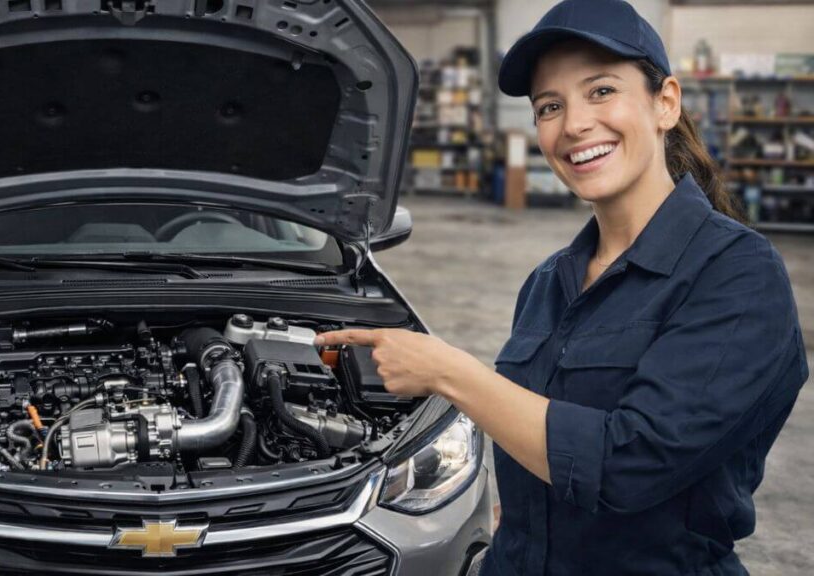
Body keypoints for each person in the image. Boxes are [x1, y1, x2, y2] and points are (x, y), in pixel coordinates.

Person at [315, 1, 808, 574]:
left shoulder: (739, 274)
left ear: (665, 103)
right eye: (550, 106)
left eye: (601, 91)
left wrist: (449, 373)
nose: (574, 124)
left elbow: (629, 463)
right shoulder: (550, 281)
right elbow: (534, 437)